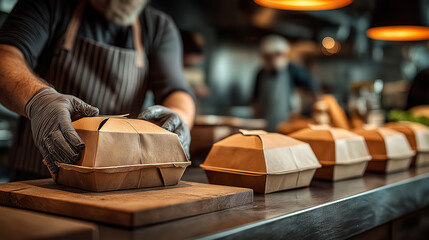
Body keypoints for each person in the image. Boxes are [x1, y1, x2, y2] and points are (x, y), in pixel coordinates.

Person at [0, 0, 195, 181]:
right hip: (37, 178)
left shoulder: (157, 27)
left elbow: (176, 91)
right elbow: (6, 57)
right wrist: (39, 99)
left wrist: (180, 118)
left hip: (118, 180)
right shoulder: (50, 3)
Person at [253, 35, 318, 131]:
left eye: (275, 56)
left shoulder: (294, 70)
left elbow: (314, 91)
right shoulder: (261, 73)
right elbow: (255, 101)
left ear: (284, 54)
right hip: (265, 122)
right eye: (268, 57)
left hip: (289, 123)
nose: (271, 60)